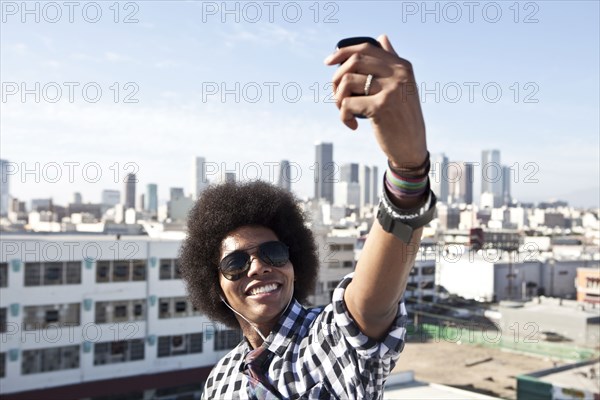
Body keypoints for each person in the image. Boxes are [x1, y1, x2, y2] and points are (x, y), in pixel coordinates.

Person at [179, 34, 436, 399]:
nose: (258, 267)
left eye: (273, 253)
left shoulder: (329, 341)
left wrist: (408, 170)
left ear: (294, 262)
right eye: (235, 262)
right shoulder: (221, 382)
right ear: (213, 286)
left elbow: (370, 307)